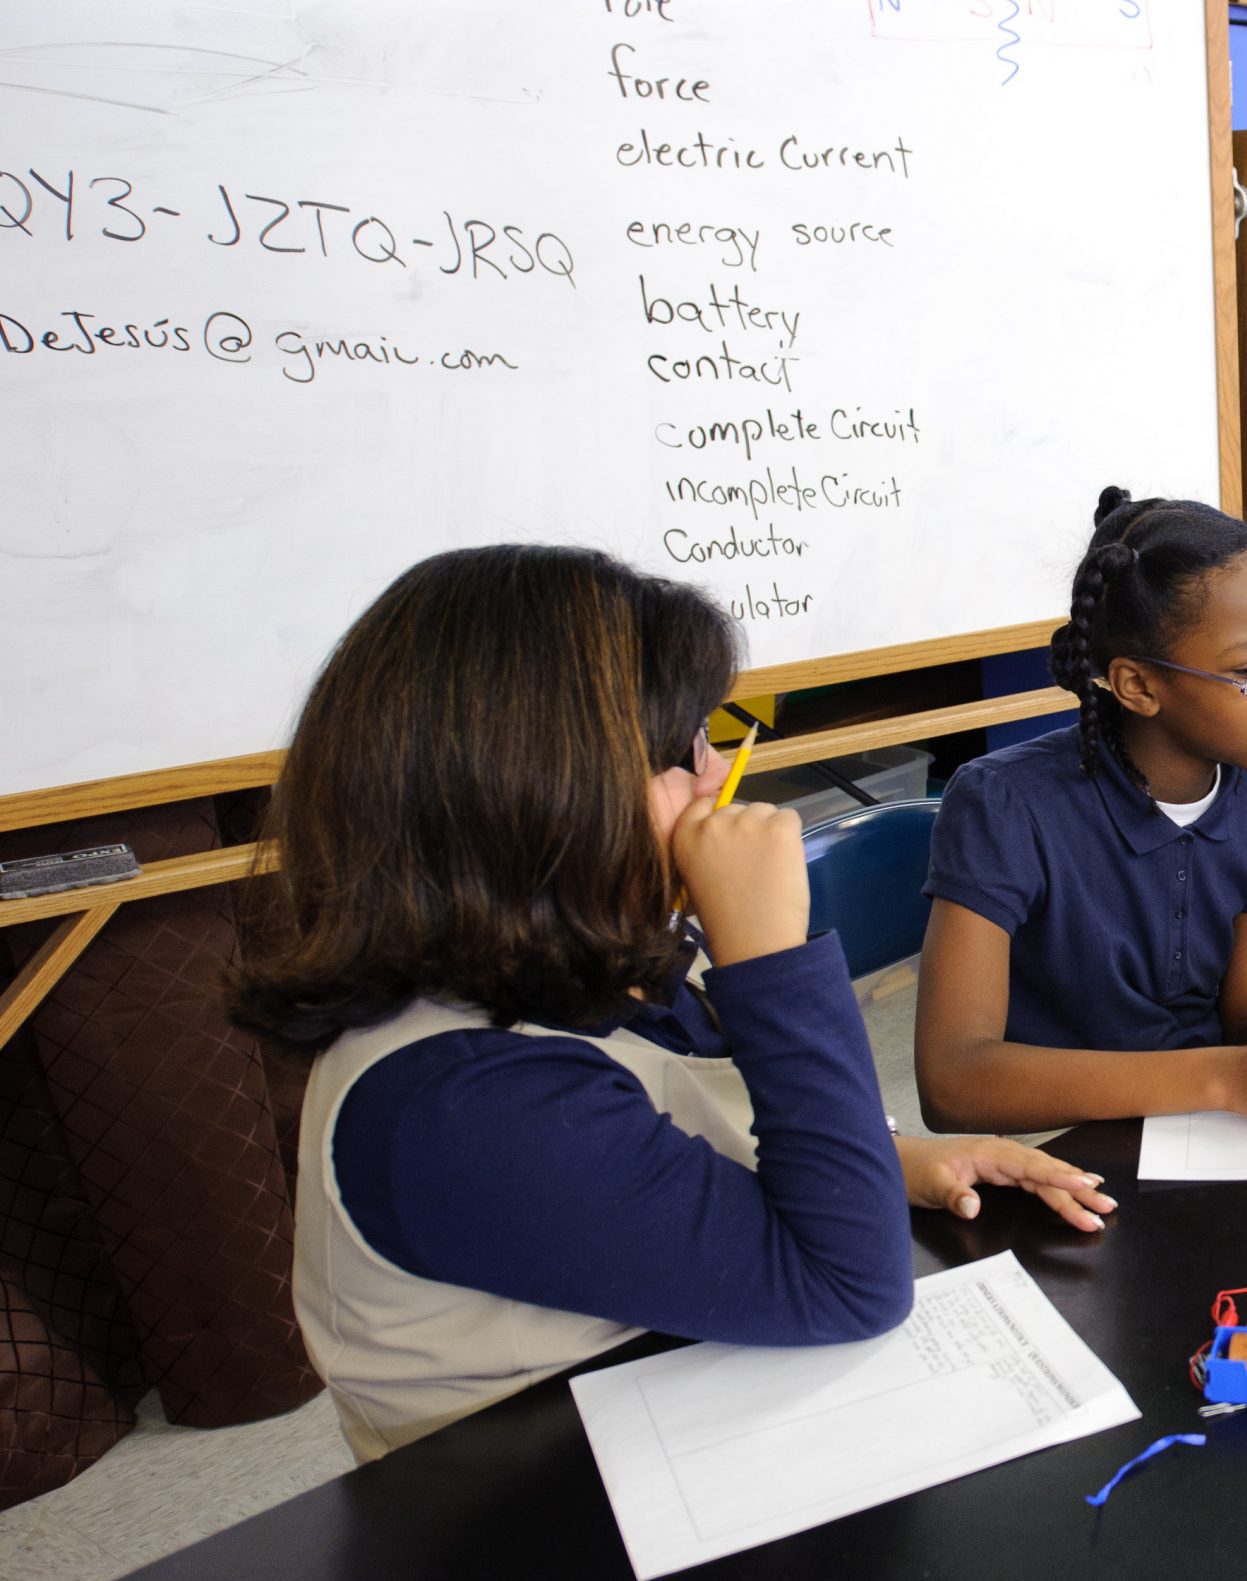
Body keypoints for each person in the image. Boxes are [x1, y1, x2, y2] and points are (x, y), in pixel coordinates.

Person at [232, 545, 1111, 1460]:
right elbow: (851, 1289)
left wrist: (892, 1157)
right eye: (686, 749)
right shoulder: (457, 1105)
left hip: (690, 1395)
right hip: (539, 1518)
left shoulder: (595, 947)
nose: (718, 775)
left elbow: (691, 1130)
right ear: (550, 792)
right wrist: (770, 954)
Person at [914, 488, 1247, 1135]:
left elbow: (1245, 1022)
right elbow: (954, 1081)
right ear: (1137, 685)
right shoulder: (1002, 806)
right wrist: (1224, 1077)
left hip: (1209, 1130)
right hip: (1060, 1145)